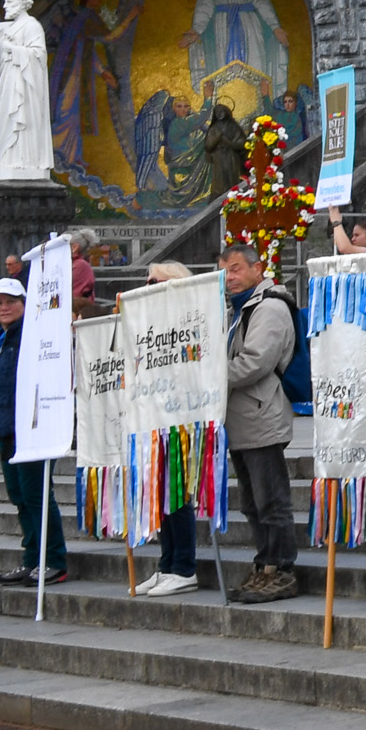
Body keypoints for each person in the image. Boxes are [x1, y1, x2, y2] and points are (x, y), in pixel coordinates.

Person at [221, 242, 302, 604]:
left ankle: (281, 567)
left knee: (271, 500)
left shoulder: (268, 306)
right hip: (240, 418)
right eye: (224, 271)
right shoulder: (237, 309)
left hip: (260, 414)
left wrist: (210, 378)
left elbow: (256, 361)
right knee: (252, 503)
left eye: (236, 268)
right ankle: (264, 563)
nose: (229, 278)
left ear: (258, 269)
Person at [128, 263, 204, 594]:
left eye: (156, 282)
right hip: (153, 416)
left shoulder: (189, 322)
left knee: (177, 493)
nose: (149, 287)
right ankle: (167, 564)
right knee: (160, 494)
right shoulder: (147, 324)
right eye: (147, 282)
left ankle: (184, 567)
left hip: (181, 418)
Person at [0, 278, 67, 588]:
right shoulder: (0, 338)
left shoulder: (32, 335)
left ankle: (54, 560)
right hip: (6, 429)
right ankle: (32, 559)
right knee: (20, 497)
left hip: (32, 428)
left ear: (24, 304)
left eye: (11, 301)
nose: (4, 307)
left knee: (36, 495)